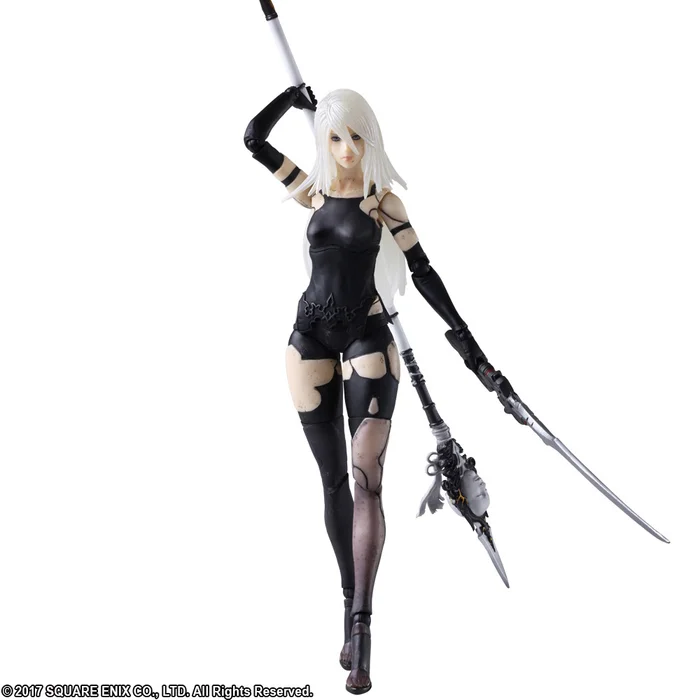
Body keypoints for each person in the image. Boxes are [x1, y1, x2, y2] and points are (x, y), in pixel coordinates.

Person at [244, 85, 483, 695]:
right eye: (335, 138)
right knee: (331, 483)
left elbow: (424, 272)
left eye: (356, 136)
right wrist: (291, 99)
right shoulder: (313, 191)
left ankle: (363, 631)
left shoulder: (383, 202)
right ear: (324, 141)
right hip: (307, 339)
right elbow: (252, 140)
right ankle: (347, 605)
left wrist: (468, 345)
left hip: (367, 336)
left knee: (366, 481)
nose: (347, 149)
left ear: (370, 138)